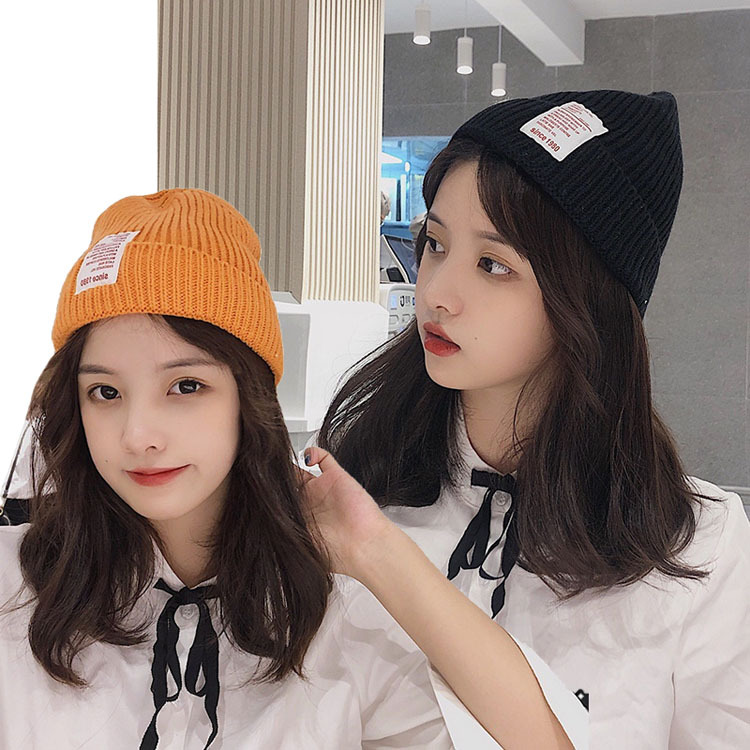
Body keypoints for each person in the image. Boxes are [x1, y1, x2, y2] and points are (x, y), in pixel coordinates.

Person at [0, 188, 586, 749]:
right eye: (105, 392)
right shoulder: (14, 588)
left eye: (186, 386)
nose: (138, 436)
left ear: (248, 397)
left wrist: (375, 549)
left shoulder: (337, 617)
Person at [307, 90, 750, 749]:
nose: (437, 293)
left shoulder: (696, 546)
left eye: (493, 265)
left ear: (585, 300)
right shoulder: (352, 495)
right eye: (435, 244)